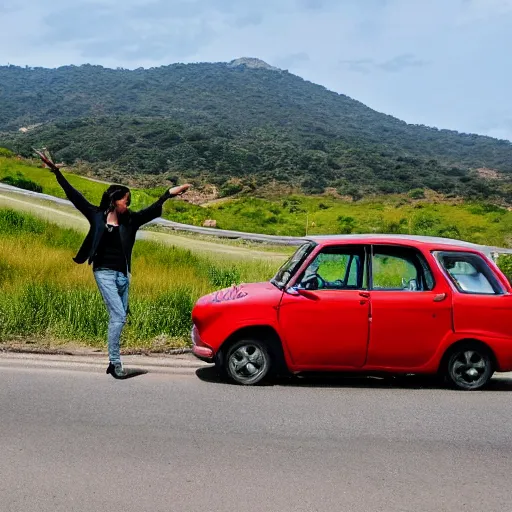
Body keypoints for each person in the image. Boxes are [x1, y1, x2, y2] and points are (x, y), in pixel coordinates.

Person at [34, 150, 190, 379]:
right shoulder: (96, 215)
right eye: (125, 199)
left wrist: (169, 194)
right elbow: (73, 195)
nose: (129, 202)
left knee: (119, 315)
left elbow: (152, 209)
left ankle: (112, 361)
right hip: (104, 273)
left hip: (123, 275)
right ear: (114, 200)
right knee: (118, 316)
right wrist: (56, 171)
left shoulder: (131, 221)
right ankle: (115, 365)